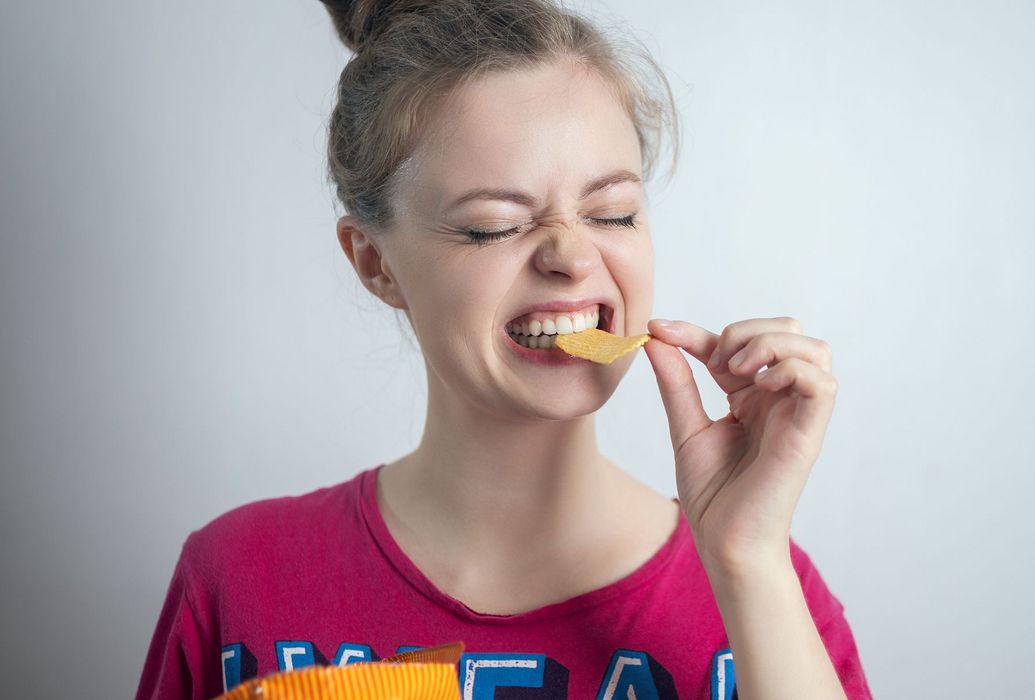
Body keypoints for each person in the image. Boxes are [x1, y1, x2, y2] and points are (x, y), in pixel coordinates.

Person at [135, 1, 873, 698]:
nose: (570, 255)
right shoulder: (240, 581)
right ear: (375, 264)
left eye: (612, 213)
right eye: (492, 225)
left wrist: (745, 561)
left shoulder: (773, 591)